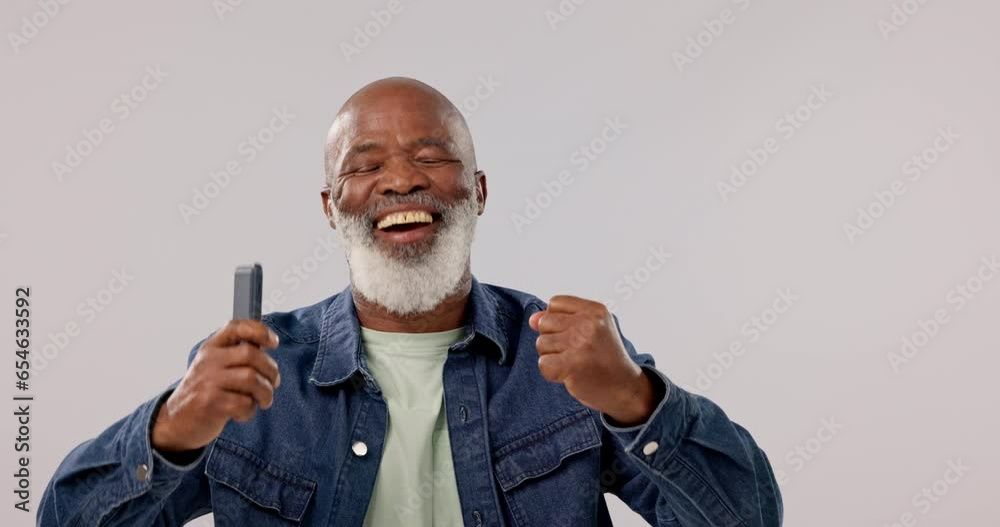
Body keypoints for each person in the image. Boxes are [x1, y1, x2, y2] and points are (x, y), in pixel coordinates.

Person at [38, 77, 782, 526]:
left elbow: (747, 515)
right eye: (366, 166)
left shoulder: (565, 357)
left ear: (479, 192)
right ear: (331, 207)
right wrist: (171, 432)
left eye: (431, 158)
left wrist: (636, 400)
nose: (400, 181)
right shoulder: (255, 373)